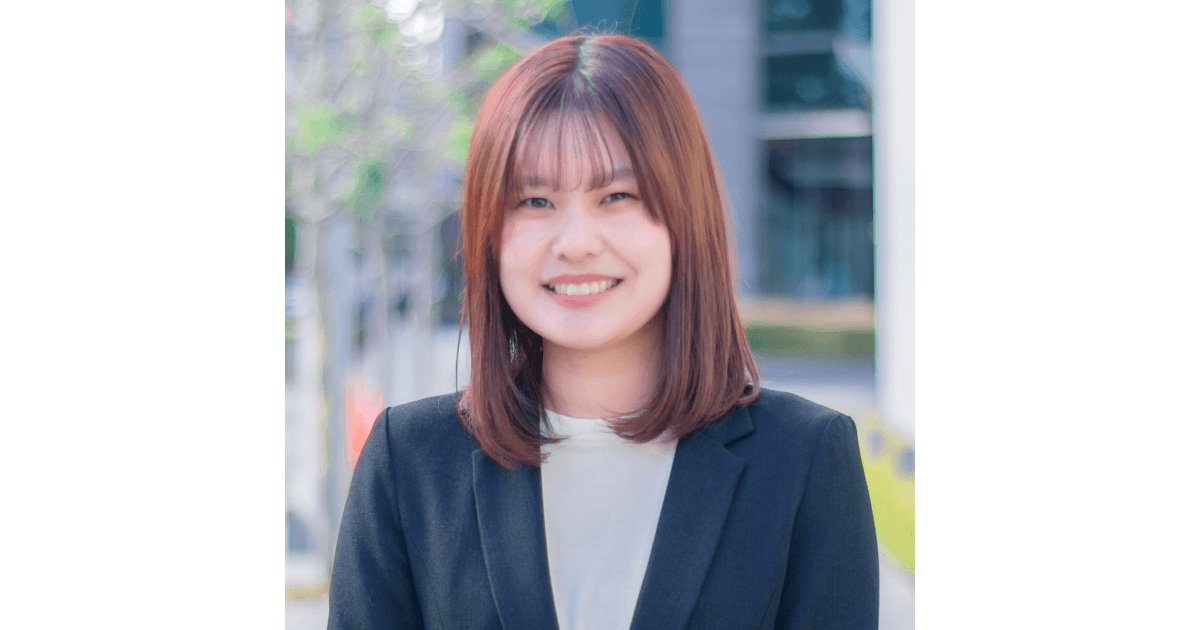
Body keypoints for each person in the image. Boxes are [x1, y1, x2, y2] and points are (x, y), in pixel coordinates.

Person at [327, 34, 879, 630]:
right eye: (535, 201)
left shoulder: (803, 459)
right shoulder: (409, 462)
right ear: (490, 232)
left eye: (616, 196)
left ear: (685, 216)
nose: (576, 242)